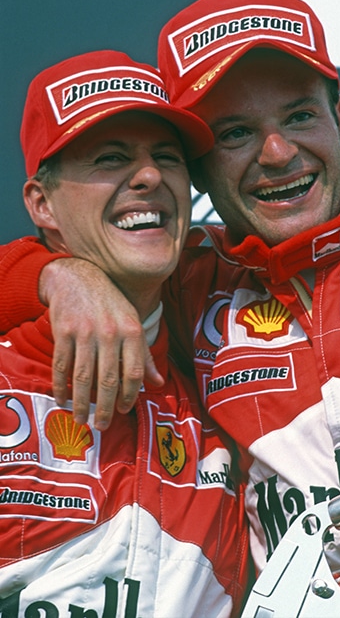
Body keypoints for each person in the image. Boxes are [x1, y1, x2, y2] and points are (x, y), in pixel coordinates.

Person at [1, 0, 340, 614]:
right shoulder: (190, 277)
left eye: (299, 116)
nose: (277, 154)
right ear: (202, 168)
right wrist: (60, 278)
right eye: (236, 132)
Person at [0, 50, 249, 615]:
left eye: (167, 157)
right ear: (42, 203)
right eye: (110, 158)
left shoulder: (231, 388)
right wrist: (56, 273)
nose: (150, 176)